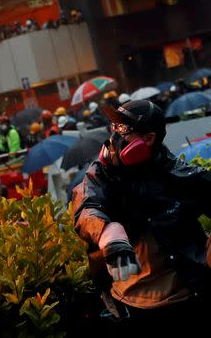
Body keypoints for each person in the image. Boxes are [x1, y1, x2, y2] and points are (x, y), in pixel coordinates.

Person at [73, 100, 211, 332]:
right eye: (114, 126)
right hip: (134, 301)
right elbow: (86, 207)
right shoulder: (102, 174)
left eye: (124, 129)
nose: (115, 134)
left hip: (187, 293)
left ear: (148, 139)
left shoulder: (178, 175)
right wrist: (108, 234)